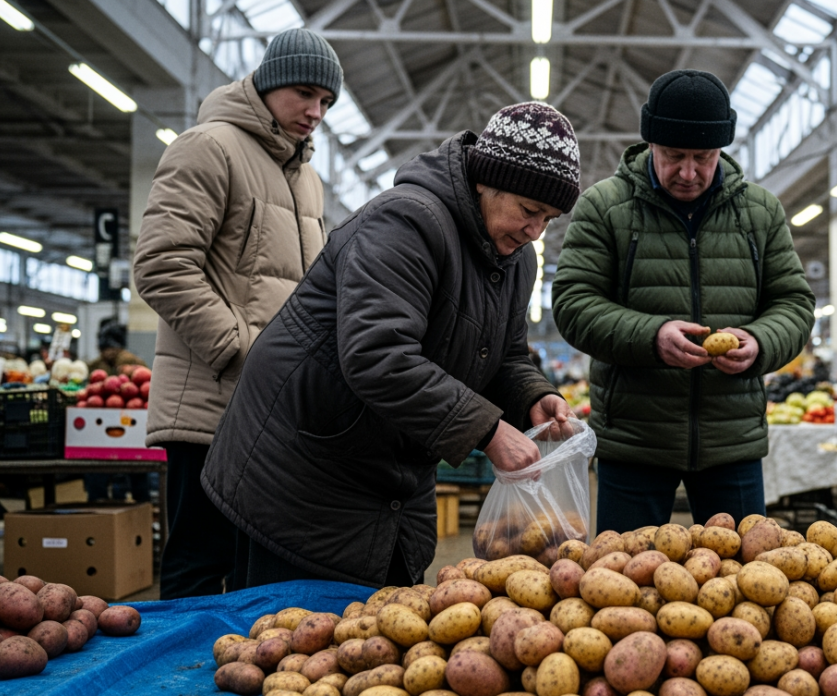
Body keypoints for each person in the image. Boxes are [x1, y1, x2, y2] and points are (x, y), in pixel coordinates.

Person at [201, 103, 579, 589]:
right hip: (304, 471)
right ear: (488, 180)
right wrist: (487, 430)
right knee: (291, 640)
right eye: (530, 211)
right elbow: (377, 354)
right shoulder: (405, 223)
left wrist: (532, 396)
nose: (535, 232)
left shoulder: (516, 259)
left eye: (548, 218)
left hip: (391, 472)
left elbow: (503, 355)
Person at [553, 69, 815, 532]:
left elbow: (794, 303)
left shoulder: (761, 213)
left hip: (730, 439)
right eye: (674, 156)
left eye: (704, 157)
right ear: (651, 143)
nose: (689, 172)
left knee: (747, 582)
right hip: (634, 439)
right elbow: (574, 303)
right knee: (622, 587)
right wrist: (652, 336)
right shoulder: (604, 207)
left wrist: (759, 341)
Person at [132, 28, 342, 598]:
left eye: (325, 102)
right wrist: (245, 351)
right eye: (304, 93)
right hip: (210, 404)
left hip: (272, 409)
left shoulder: (306, 179)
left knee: (255, 567)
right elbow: (160, 265)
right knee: (200, 562)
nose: (314, 111)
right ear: (269, 84)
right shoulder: (209, 147)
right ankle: (178, 687)